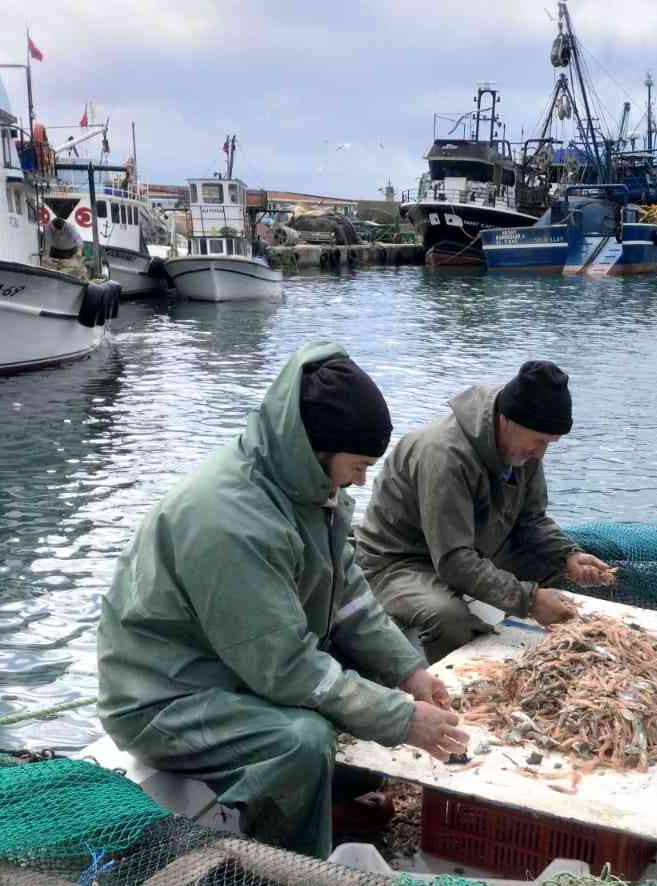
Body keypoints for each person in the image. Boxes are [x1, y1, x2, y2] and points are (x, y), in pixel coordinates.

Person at [98, 342, 468, 859]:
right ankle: (286, 876)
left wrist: (410, 673)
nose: (363, 480)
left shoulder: (309, 492)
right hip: (164, 695)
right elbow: (288, 670)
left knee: (371, 679)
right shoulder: (229, 521)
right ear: (316, 449)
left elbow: (350, 600)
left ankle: (328, 805)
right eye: (359, 466)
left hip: (234, 665)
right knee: (302, 738)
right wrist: (403, 720)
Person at [356, 360, 614, 664]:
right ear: (507, 421)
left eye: (549, 444)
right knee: (448, 616)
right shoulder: (444, 455)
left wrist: (567, 556)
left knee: (551, 568)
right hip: (400, 561)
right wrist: (529, 601)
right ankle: (457, 690)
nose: (540, 453)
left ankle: (549, 654)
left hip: (471, 548)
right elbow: (454, 562)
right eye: (539, 441)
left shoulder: (523, 448)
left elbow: (530, 521)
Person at [43, 215, 89, 280]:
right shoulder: (48, 227)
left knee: (74, 269)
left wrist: (79, 250)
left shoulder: (70, 227)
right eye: (56, 231)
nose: (58, 233)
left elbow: (78, 239)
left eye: (61, 231)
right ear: (52, 227)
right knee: (54, 269)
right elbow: (47, 242)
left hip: (70, 250)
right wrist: (46, 255)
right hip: (55, 250)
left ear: (64, 226)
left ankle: (74, 280)